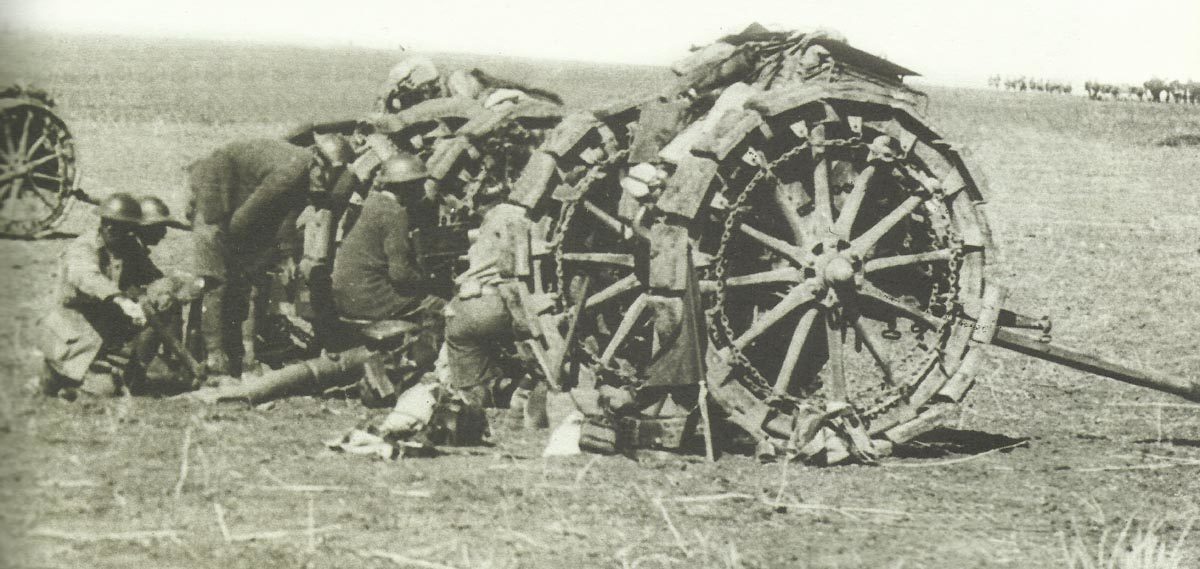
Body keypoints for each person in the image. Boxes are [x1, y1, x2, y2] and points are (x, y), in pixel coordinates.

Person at [186, 137, 349, 377]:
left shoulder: (302, 170)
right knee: (215, 280)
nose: (326, 181)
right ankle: (212, 357)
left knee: (246, 280)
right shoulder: (293, 170)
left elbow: (287, 218)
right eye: (327, 172)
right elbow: (251, 212)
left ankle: (240, 354)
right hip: (214, 194)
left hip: (232, 198)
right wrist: (235, 251)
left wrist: (286, 255)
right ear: (318, 161)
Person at [37, 194, 160, 398]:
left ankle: (81, 381)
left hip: (101, 334)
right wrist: (120, 299)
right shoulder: (83, 247)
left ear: (131, 228)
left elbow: (152, 276)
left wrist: (175, 286)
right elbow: (86, 277)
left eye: (118, 225)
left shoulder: (128, 248)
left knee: (115, 384)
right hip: (71, 333)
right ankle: (64, 383)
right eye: (107, 222)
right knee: (103, 388)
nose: (110, 228)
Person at [331, 152, 444, 370]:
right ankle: (417, 363)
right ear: (404, 187)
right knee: (441, 306)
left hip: (345, 296)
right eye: (418, 184)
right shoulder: (395, 213)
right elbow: (400, 274)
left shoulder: (372, 202)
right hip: (369, 298)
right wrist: (427, 279)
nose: (422, 190)